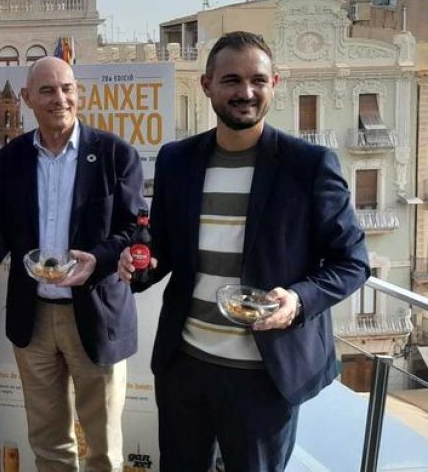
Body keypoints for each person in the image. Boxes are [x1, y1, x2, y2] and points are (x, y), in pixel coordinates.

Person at [119, 31, 369, 471]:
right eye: (231, 80)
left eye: (257, 80)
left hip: (264, 374)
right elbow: (163, 249)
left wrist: (298, 300)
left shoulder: (308, 165)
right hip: (185, 365)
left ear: (275, 83)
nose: (245, 92)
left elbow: (353, 261)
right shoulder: (178, 159)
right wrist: (137, 264)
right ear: (207, 85)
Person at [0, 57, 145, 472]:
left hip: (94, 313)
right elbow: (0, 225)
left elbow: (137, 228)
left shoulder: (114, 153)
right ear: (26, 99)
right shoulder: (13, 157)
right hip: (33, 317)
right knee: (48, 441)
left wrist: (102, 258)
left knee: (103, 447)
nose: (60, 99)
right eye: (48, 91)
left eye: (67, 88)